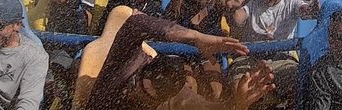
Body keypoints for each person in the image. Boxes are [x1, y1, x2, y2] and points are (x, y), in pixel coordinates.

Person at [84, 7, 277, 110]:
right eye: (138, 86)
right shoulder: (120, 74)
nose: (136, 95)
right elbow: (136, 23)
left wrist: (237, 105)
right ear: (142, 69)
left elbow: (210, 107)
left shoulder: (174, 99)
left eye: (147, 100)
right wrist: (196, 37)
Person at [225, 0, 320, 109]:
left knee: (300, 83)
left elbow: (311, 13)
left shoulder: (292, 2)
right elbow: (237, 20)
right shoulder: (251, 1)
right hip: (249, 57)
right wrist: (232, 9)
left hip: (281, 57)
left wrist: (312, 2)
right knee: (239, 86)